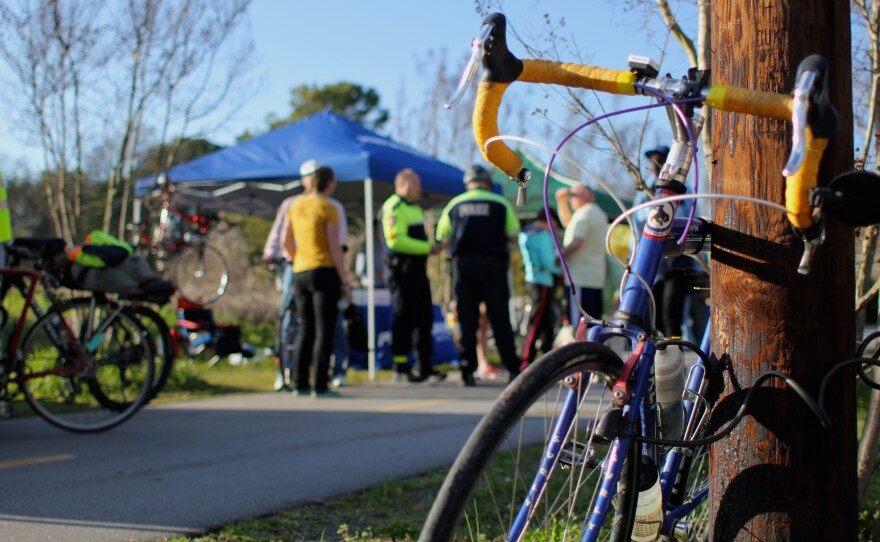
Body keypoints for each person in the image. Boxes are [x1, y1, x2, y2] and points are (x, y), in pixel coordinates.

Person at [265, 160, 350, 390]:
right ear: (330, 183)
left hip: (301, 270)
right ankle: (320, 384)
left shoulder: (294, 206)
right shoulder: (329, 207)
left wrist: (297, 257)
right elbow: (335, 247)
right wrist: (344, 279)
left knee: (305, 327)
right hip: (324, 270)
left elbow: (285, 241)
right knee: (325, 329)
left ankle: (300, 381)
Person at [436, 164, 521, 386]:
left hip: (463, 266)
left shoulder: (454, 205)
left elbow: (442, 236)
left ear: (468, 184)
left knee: (467, 319)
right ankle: (513, 369)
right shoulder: (501, 203)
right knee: (500, 317)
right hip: (493, 265)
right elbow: (513, 235)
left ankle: (467, 371)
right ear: (487, 183)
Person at [638, 146, 709, 340]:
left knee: (672, 313)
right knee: (653, 314)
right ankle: (656, 357)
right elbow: (637, 229)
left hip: (678, 260)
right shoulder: (643, 195)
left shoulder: (684, 195)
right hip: (652, 260)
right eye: (653, 160)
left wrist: (699, 263)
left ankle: (674, 350)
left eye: (660, 159)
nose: (655, 164)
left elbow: (693, 225)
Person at [380, 168, 444, 383]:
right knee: (403, 315)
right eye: (416, 184)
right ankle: (400, 365)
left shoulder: (415, 208)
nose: (420, 188)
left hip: (418, 270)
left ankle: (424, 365)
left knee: (424, 317)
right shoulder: (393, 207)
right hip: (401, 270)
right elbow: (395, 241)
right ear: (404, 184)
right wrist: (428, 248)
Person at [555, 182, 608, 326]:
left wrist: (559, 256)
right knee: (593, 324)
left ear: (586, 195)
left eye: (573, 195)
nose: (571, 198)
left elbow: (577, 241)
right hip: (594, 277)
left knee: (579, 325)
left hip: (579, 279)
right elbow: (568, 222)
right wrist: (561, 201)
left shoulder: (584, 213)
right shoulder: (598, 213)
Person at [518, 208, 563, 370]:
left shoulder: (525, 233)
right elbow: (548, 262)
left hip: (532, 277)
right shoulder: (542, 235)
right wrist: (561, 270)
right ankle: (526, 359)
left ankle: (544, 357)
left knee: (545, 321)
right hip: (543, 280)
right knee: (537, 320)